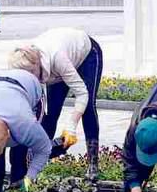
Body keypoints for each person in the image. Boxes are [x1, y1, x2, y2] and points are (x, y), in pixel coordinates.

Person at [16, 27, 104, 179]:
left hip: (86, 54)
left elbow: (82, 94)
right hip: (55, 64)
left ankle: (93, 164)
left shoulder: (58, 59)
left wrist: (71, 127)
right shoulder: (23, 61)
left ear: (37, 66)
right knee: (50, 112)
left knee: (88, 107)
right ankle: (40, 160)